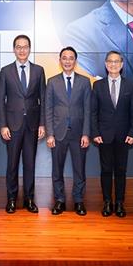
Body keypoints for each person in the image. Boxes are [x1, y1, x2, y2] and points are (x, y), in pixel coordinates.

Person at [0, 34, 46, 214]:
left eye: (25, 46)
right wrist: (2, 125)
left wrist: (42, 124)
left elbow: (44, 98)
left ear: (30, 48)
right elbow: (0, 99)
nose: (22, 50)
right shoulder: (5, 71)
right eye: (18, 46)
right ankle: (11, 198)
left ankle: (29, 199)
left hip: (32, 125)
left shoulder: (39, 70)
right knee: (12, 164)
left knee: (30, 163)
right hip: (12, 125)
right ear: (14, 49)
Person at [90, 51, 133, 217]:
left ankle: (119, 203)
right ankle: (107, 202)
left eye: (116, 61)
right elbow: (93, 112)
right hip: (104, 135)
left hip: (124, 135)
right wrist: (94, 132)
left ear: (122, 64)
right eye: (110, 61)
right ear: (105, 64)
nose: (113, 64)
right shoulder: (98, 85)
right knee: (105, 170)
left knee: (121, 170)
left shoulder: (130, 85)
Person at [45, 47, 91, 216]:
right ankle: (59, 200)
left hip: (79, 134)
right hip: (58, 133)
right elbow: (48, 109)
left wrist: (86, 133)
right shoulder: (52, 81)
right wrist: (50, 134)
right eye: (64, 58)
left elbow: (88, 110)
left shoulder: (85, 82)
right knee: (57, 169)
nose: (67, 61)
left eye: (71, 58)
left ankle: (79, 200)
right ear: (60, 60)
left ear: (75, 61)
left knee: (79, 169)